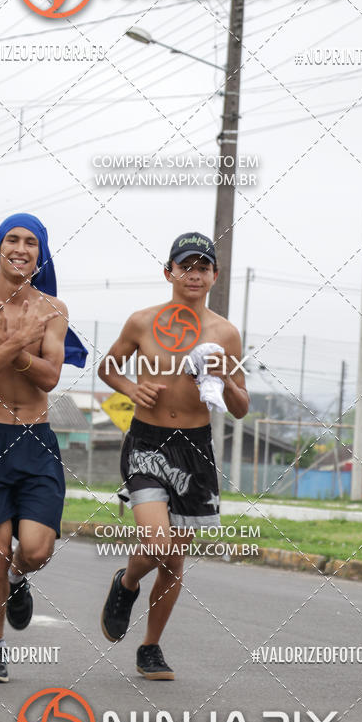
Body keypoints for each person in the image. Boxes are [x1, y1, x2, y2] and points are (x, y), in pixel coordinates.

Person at [98, 231, 249, 680]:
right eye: (185, 267)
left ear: (215, 276)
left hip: (195, 449)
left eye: (203, 267)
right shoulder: (142, 322)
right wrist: (132, 388)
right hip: (147, 443)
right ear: (169, 273)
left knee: (174, 560)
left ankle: (150, 647)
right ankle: (127, 582)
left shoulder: (225, 333)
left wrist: (228, 380)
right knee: (159, 544)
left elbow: (241, 407)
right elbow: (109, 367)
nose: (194, 275)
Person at [0, 213, 86, 682]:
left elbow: (49, 377)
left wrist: (10, 346)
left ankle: (17, 578)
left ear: (40, 254)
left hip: (35, 439)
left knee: (36, 549)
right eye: (12, 239)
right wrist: (18, 343)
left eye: (31, 242)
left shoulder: (53, 309)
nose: (21, 248)